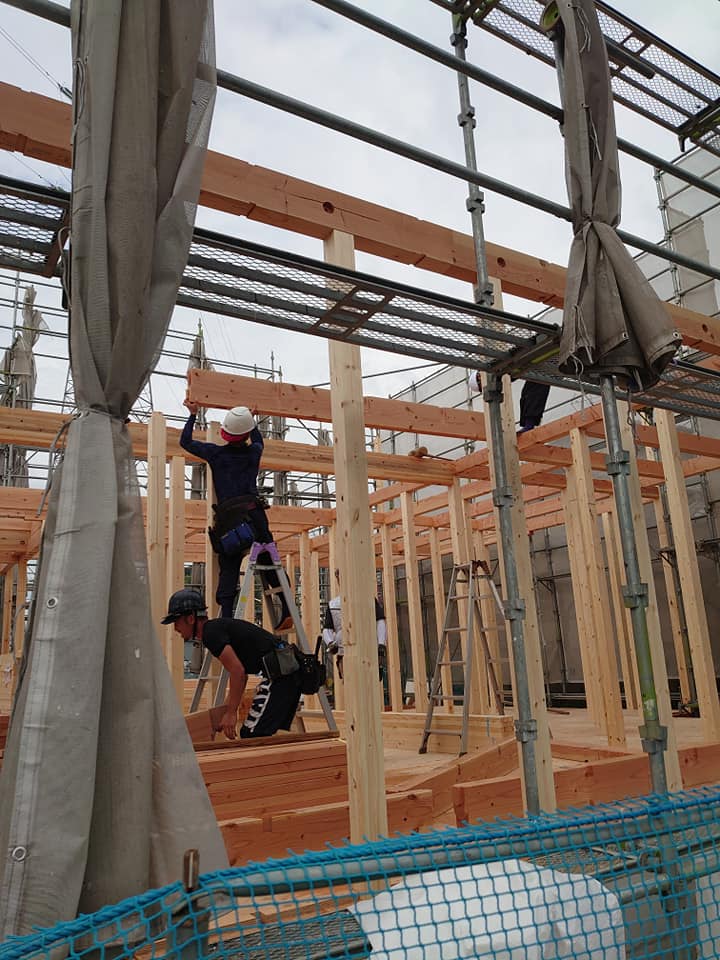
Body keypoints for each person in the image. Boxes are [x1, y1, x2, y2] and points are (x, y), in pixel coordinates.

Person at [180, 398, 291, 630]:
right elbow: (258, 440)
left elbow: (185, 442)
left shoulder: (216, 454)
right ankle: (288, 609)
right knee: (269, 561)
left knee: (229, 564)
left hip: (230, 521)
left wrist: (192, 414)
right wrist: (252, 421)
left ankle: (228, 618)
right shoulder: (254, 453)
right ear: (246, 434)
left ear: (225, 433)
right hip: (255, 517)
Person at [162, 588, 302, 739]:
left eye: (176, 622)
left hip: (282, 675)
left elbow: (238, 672)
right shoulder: (215, 630)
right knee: (257, 734)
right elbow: (241, 676)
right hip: (286, 673)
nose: (175, 628)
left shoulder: (211, 634)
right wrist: (225, 711)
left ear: (190, 618)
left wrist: (231, 713)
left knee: (253, 735)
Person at [322, 569, 387, 681]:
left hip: (367, 651)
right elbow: (327, 629)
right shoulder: (334, 604)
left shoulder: (368, 600)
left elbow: (380, 622)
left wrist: (381, 644)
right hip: (345, 651)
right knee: (351, 684)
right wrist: (330, 643)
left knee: (367, 683)